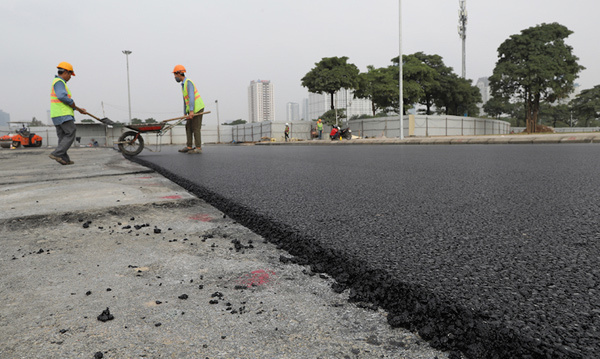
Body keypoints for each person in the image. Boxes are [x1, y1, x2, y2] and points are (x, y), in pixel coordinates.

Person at [49, 62, 87, 165]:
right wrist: (71, 103)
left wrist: (77, 109)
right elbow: (62, 97)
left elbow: (61, 100)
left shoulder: (56, 82)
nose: (70, 77)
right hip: (63, 114)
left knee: (62, 137)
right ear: (66, 72)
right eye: (70, 74)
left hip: (56, 114)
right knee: (71, 132)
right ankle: (57, 153)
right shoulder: (59, 82)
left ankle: (64, 159)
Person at [173, 65, 205, 154]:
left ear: (179, 74)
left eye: (175, 75)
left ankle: (198, 148)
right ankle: (189, 146)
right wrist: (185, 113)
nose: (175, 77)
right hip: (191, 109)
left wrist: (191, 111)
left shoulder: (188, 82)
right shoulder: (183, 85)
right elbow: (185, 100)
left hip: (197, 108)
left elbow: (191, 97)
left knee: (196, 127)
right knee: (188, 127)